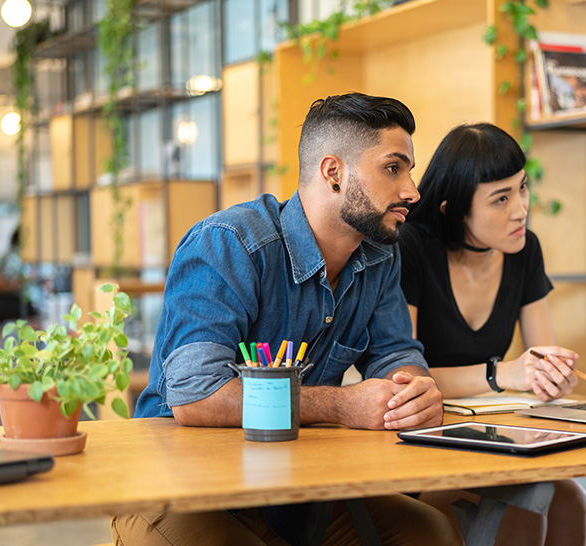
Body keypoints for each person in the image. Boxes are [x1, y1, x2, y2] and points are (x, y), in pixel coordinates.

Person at [113, 93, 461, 546]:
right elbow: (195, 394)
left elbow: (395, 352)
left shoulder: (380, 256)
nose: (412, 190)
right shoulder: (229, 244)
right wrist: (342, 405)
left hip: (295, 485)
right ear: (333, 173)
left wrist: (412, 391)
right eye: (393, 168)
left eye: (408, 170)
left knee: (427, 532)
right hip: (181, 486)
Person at [399, 123, 586, 545]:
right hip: (422, 437)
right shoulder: (412, 247)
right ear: (453, 208)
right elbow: (407, 380)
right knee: (531, 494)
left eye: (521, 189)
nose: (520, 209)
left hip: (491, 432)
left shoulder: (525, 249)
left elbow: (540, 357)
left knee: (571, 499)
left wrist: (552, 376)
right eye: (500, 199)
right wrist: (500, 375)